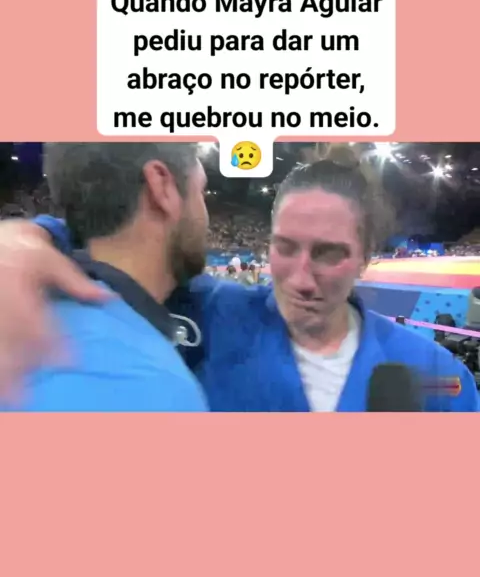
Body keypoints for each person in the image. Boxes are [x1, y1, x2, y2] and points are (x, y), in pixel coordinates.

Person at [0, 155, 477, 411]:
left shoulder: (434, 373)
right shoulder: (212, 311)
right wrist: (27, 236)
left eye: (328, 253)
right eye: (284, 247)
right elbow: (108, 244)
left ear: (366, 257)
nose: (301, 278)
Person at [0, 143, 209, 411]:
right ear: (162, 186)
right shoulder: (151, 384)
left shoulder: (25, 313)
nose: (205, 214)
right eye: (201, 192)